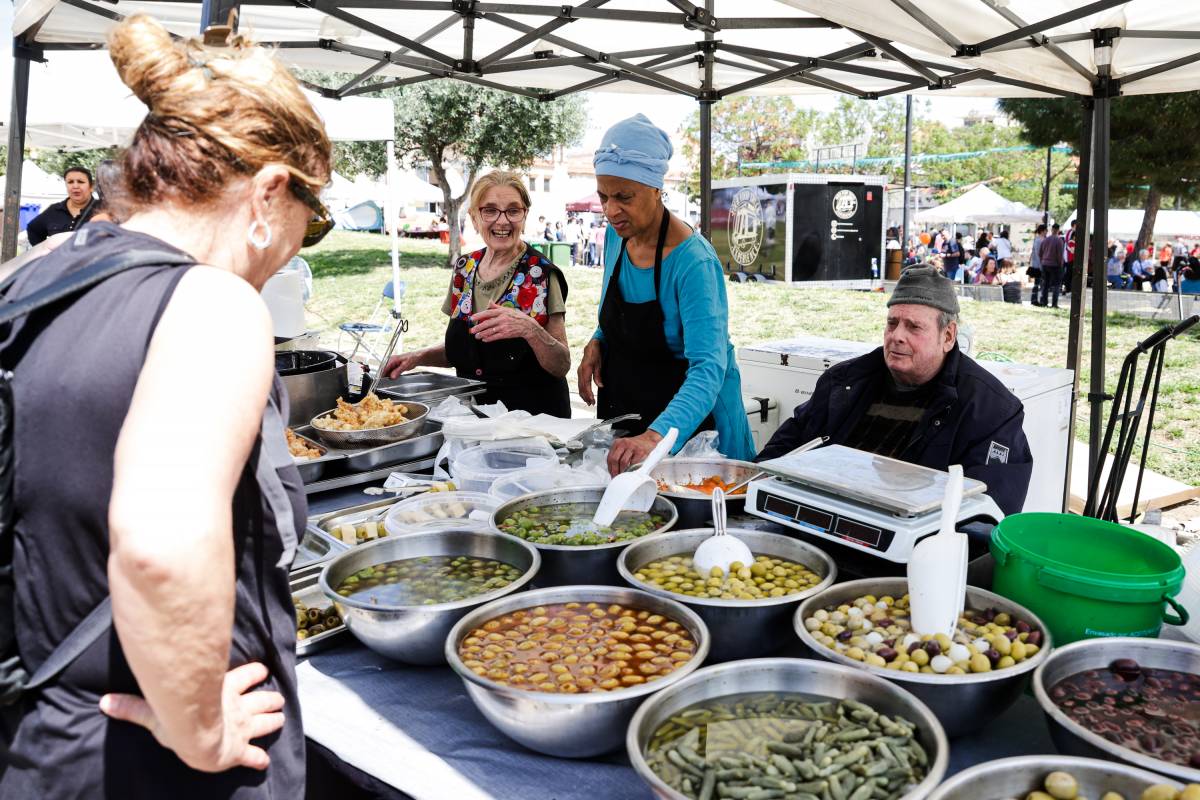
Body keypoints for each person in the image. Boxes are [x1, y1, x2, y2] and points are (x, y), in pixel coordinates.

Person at [0, 14, 333, 798]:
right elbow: (159, 545)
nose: (296, 246)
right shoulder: (211, 303)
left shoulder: (32, 279)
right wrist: (201, 729)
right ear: (270, 191)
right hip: (157, 767)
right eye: (310, 223)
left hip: (42, 744)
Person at [756, 267, 1032, 516]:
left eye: (914, 327)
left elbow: (987, 514)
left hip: (917, 544)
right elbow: (783, 451)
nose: (897, 336)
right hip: (817, 518)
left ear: (948, 336)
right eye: (892, 323)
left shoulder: (991, 410)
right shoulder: (844, 381)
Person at [577, 114, 754, 473]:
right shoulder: (617, 236)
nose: (611, 210)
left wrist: (654, 438)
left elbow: (708, 369)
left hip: (695, 432)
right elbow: (618, 306)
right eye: (603, 196)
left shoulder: (694, 262)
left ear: (656, 188)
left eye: (624, 197)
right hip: (631, 412)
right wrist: (599, 339)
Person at [384, 171, 571, 416]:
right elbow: (465, 351)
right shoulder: (464, 269)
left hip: (533, 422)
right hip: (476, 420)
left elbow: (561, 364)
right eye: (490, 211)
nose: (502, 221)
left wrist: (530, 330)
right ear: (474, 218)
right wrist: (417, 357)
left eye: (513, 211)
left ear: (524, 216)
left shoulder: (541, 274)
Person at [24, 166, 98, 246]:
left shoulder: (103, 210)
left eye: (80, 182)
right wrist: (44, 250)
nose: (75, 186)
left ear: (91, 187)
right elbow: (33, 229)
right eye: (70, 182)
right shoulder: (54, 210)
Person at [1036, 223, 1065, 308]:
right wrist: (1061, 265)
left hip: (1045, 264)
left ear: (1052, 230)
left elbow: (1040, 253)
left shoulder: (1045, 240)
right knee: (1056, 285)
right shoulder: (1059, 241)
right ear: (1058, 230)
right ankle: (1054, 304)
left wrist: (1043, 261)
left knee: (1045, 284)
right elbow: (1060, 255)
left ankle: (1044, 302)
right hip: (1055, 265)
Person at [1028, 223, 1045, 294]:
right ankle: (1035, 297)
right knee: (1038, 282)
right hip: (1039, 263)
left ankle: (1035, 297)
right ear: (1042, 231)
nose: (1046, 232)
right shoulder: (1039, 240)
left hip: (1037, 263)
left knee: (1038, 281)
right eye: (1046, 230)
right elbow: (1038, 252)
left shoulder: (1038, 239)